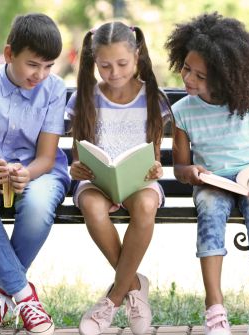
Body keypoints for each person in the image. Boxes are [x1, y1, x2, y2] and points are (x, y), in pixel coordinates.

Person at [165, 12, 249, 335]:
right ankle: (215, 306)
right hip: (212, 180)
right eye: (186, 69)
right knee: (209, 211)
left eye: (201, 76)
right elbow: (179, 167)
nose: (189, 79)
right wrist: (190, 172)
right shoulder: (183, 112)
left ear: (225, 77)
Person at [0, 13, 68, 335]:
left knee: (35, 206)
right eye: (33, 64)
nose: (41, 74)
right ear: (9, 54)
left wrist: (27, 173)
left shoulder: (54, 88)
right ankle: (22, 293)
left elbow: (47, 158)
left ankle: (2, 294)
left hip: (42, 172)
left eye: (49, 66)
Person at [66, 21, 171, 335]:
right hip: (97, 181)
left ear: (137, 56)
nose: (113, 73)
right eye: (105, 66)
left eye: (122, 64)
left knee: (145, 206)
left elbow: (154, 156)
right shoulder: (87, 97)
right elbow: (77, 154)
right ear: (94, 62)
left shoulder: (153, 97)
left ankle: (111, 302)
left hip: (138, 181)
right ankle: (135, 284)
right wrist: (75, 168)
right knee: (93, 207)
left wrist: (155, 168)